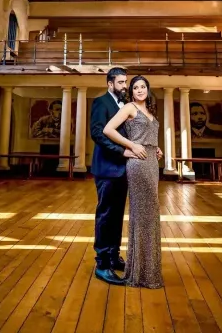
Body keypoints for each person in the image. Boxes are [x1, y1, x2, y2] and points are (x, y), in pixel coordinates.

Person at [104, 75, 164, 289]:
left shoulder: (150, 111)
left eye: (143, 87)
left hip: (151, 163)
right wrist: (131, 146)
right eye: (136, 87)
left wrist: (155, 148)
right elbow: (108, 130)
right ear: (131, 91)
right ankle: (139, 272)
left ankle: (149, 270)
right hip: (138, 164)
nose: (139, 90)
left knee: (151, 214)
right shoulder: (129, 108)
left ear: (148, 89)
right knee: (142, 214)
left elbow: (148, 135)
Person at [90, 67, 133, 285]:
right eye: (121, 82)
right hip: (107, 168)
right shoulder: (101, 102)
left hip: (123, 170)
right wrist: (121, 151)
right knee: (105, 215)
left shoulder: (124, 105)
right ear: (110, 84)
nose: (125, 86)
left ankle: (114, 256)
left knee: (117, 216)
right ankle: (102, 264)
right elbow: (97, 133)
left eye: (126, 82)